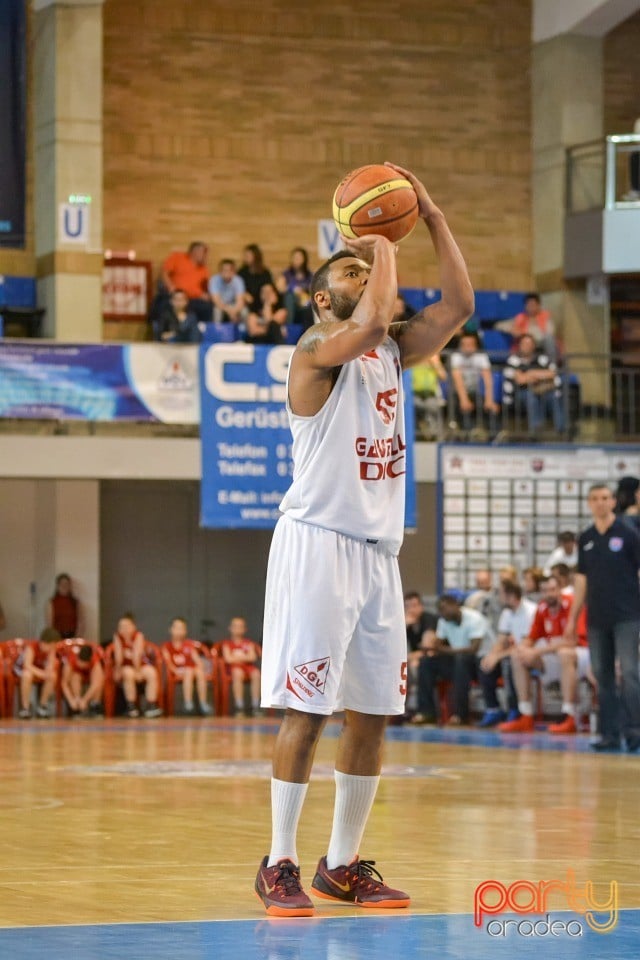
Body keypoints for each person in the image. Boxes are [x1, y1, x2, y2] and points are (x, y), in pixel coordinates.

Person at [255, 162, 474, 916]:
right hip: (317, 543)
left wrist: (434, 219)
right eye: (350, 266)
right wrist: (381, 237)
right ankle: (278, 859)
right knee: (307, 709)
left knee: (374, 712)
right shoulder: (316, 349)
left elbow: (459, 306)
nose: (367, 270)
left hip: (379, 555)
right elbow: (373, 317)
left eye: (367, 261)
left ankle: (340, 865)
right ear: (324, 296)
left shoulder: (391, 349)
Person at [564, 484, 640, 752]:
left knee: (630, 673)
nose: (600, 503)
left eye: (604, 498)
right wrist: (573, 619)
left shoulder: (629, 535)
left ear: (613, 502)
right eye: (594, 499)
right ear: (589, 503)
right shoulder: (585, 538)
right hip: (597, 618)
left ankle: (634, 732)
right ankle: (609, 734)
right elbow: (581, 580)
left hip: (627, 616)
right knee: (602, 676)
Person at [498, 575, 589, 733]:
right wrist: (522, 648)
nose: (549, 594)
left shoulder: (573, 604)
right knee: (518, 657)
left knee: (565, 653)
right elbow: (531, 638)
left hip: (582, 655)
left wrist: (537, 651)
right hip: (554, 655)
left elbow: (572, 641)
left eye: (552, 589)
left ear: (560, 589)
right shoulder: (542, 608)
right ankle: (525, 715)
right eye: (545, 590)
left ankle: (569, 716)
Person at [414, 594, 494, 726]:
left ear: (456, 606)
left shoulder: (474, 618)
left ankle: (460, 715)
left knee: (461, 660)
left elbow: (473, 649)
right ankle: (426, 712)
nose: (442, 613)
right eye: (439, 610)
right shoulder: (444, 621)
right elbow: (438, 645)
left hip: (479, 664)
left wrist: (441, 649)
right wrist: (429, 648)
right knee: (426, 662)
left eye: (444, 608)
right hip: (458, 663)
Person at [477, 582, 536, 727]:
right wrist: (492, 655)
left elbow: (525, 644)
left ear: (510, 596)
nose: (498, 598)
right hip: (514, 652)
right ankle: (493, 708)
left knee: (508, 663)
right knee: (484, 662)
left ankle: (515, 709)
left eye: (501, 594)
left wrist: (498, 656)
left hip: (529, 654)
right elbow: (501, 640)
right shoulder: (507, 613)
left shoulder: (531, 611)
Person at [502, 333, 564, 434]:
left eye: (529, 344)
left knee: (554, 396)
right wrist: (539, 375)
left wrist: (532, 373)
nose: (527, 346)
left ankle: (562, 430)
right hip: (520, 394)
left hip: (542, 390)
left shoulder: (542, 359)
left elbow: (552, 373)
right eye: (525, 344)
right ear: (520, 346)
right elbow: (520, 380)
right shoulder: (513, 360)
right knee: (531, 396)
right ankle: (536, 431)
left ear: (533, 346)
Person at [112, 614, 162, 719]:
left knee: (152, 672)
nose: (124, 629)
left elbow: (137, 656)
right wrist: (117, 669)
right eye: (121, 626)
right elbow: (118, 658)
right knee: (127, 673)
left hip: (140, 665)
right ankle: (132, 707)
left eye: (127, 626)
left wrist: (138, 671)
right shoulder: (117, 637)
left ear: (133, 627)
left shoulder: (138, 635)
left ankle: (151, 705)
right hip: (125, 667)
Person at [449, 332, 499, 434]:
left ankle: (493, 436)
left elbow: (488, 379)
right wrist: (464, 400)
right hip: (457, 393)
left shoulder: (481, 357)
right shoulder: (455, 356)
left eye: (470, 345)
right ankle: (466, 435)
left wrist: (489, 400)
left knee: (489, 408)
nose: (467, 347)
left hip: (474, 391)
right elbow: (458, 380)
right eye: (464, 345)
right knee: (463, 408)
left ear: (475, 346)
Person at [163, 617, 213, 716]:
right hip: (178, 671)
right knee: (189, 671)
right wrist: (176, 671)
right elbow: (168, 663)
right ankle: (188, 702)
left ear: (185, 631)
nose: (179, 631)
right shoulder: (167, 646)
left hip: (191, 670)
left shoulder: (189, 645)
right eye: (176, 628)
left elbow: (197, 660)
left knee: (198, 671)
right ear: (171, 629)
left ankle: (203, 703)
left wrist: (201, 667)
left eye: (181, 628)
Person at [495, 292, 559, 361]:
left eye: (533, 305)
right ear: (525, 306)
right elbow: (499, 325)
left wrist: (525, 334)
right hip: (524, 345)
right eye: (529, 305)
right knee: (525, 342)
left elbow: (550, 332)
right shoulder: (521, 317)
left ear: (538, 305)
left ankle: (552, 365)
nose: (531, 307)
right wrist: (511, 329)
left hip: (540, 345)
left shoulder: (545, 317)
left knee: (549, 339)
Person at [161, 242, 211, 325]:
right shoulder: (177, 257)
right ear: (195, 252)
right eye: (204, 253)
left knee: (207, 306)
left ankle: (203, 331)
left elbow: (206, 286)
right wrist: (170, 287)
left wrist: (205, 295)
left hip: (194, 299)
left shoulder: (203, 268)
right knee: (166, 304)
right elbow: (164, 273)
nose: (205, 256)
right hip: (178, 296)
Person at [404, 591, 438, 715]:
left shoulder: (429, 619)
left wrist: (410, 657)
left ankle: (424, 711)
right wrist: (403, 626)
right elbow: (392, 649)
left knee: (416, 664)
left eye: (414, 605)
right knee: (402, 667)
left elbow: (428, 648)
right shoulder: (404, 623)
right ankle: (401, 711)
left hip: (435, 658)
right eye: (407, 606)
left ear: (421, 606)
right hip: (415, 659)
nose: (411, 610)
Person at [15, 627, 60, 719]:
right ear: (44, 642)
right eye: (52, 645)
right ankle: (25, 708)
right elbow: (27, 665)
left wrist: (49, 669)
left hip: (38, 670)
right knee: (27, 674)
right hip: (21, 669)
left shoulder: (51, 650)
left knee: (52, 676)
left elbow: (50, 667)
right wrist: (42, 674)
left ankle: (42, 706)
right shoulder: (32, 647)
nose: (53, 647)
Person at [221, 616, 261, 717]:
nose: (238, 629)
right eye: (235, 626)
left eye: (240, 626)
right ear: (230, 628)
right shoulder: (227, 644)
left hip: (249, 668)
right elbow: (228, 659)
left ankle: (255, 705)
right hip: (234, 669)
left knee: (256, 674)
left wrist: (237, 656)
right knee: (238, 673)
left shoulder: (249, 643)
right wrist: (244, 656)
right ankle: (239, 705)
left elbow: (252, 657)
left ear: (245, 629)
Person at [60, 642, 105, 717]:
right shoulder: (71, 659)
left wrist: (85, 700)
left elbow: (96, 683)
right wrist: (71, 700)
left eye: (84, 664)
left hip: (90, 675)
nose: (82, 666)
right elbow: (64, 683)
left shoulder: (95, 660)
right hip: (77, 677)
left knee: (100, 678)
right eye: (80, 663)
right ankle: (77, 702)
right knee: (75, 676)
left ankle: (95, 704)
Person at [277, 247, 314, 329]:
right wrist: (293, 289)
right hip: (290, 305)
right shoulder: (287, 274)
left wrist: (303, 295)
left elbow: (313, 291)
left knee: (309, 306)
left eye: (299, 258)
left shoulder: (309, 276)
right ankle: (289, 328)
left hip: (305, 305)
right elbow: (280, 288)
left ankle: (309, 331)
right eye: (295, 258)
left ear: (304, 259)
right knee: (289, 297)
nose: (297, 260)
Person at [208, 259, 248, 325]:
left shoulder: (238, 281)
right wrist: (230, 311)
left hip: (234, 305)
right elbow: (217, 302)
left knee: (244, 311)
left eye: (229, 270)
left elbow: (240, 302)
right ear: (220, 271)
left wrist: (234, 311)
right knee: (217, 311)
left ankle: (244, 332)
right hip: (220, 306)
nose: (226, 273)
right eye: (224, 270)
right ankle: (217, 331)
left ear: (233, 272)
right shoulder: (214, 280)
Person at [238, 244, 274, 311]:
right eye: (245, 255)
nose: (246, 257)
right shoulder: (242, 272)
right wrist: (244, 294)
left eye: (248, 256)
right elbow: (237, 287)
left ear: (255, 256)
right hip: (246, 301)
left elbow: (268, 288)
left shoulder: (265, 272)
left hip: (261, 301)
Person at [47, 573, 82, 640]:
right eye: (62, 584)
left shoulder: (75, 602)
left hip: (72, 636)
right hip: (57, 637)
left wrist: (76, 637)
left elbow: (80, 622)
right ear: (57, 586)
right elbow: (49, 624)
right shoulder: (52, 602)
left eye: (66, 584)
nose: (64, 586)